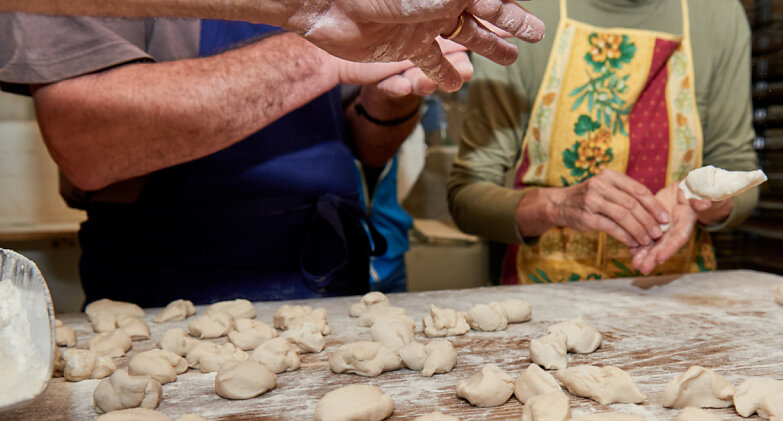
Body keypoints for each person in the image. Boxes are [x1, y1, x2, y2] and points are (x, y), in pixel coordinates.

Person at [0, 15, 469, 306]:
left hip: (329, 277)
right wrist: (323, 57)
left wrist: (390, 101)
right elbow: (89, 143)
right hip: (167, 298)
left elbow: (366, 147)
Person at [447, 0, 759, 284]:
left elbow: (740, 171)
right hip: (546, 296)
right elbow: (467, 198)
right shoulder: (520, 14)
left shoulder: (718, 15)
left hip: (678, 291)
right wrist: (556, 206)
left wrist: (707, 198)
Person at [0, 0, 546, 92]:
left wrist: (380, 112)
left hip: (331, 263)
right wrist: (318, 59)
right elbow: (86, 146)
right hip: (169, 269)